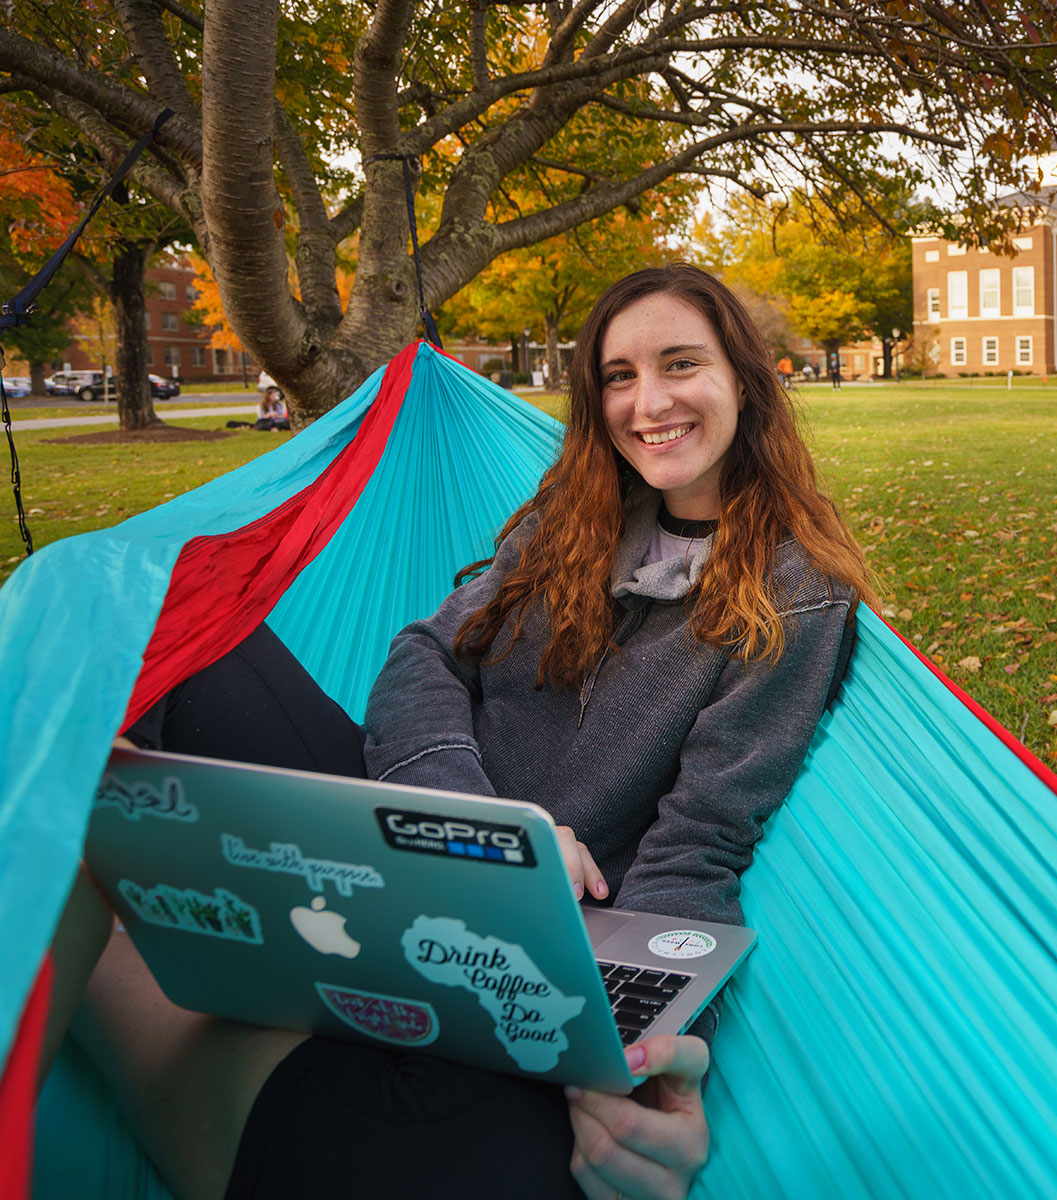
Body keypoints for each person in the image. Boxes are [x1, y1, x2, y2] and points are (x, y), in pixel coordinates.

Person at [45, 264, 878, 1200]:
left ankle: (153, 948)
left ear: (745, 378)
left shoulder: (794, 597)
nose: (648, 403)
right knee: (117, 619)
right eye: (617, 375)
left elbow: (701, 844)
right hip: (393, 809)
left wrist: (647, 1057)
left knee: (494, 1164)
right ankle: (110, 882)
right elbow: (422, 657)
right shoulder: (571, 519)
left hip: (510, 944)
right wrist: (474, 829)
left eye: (680, 364)